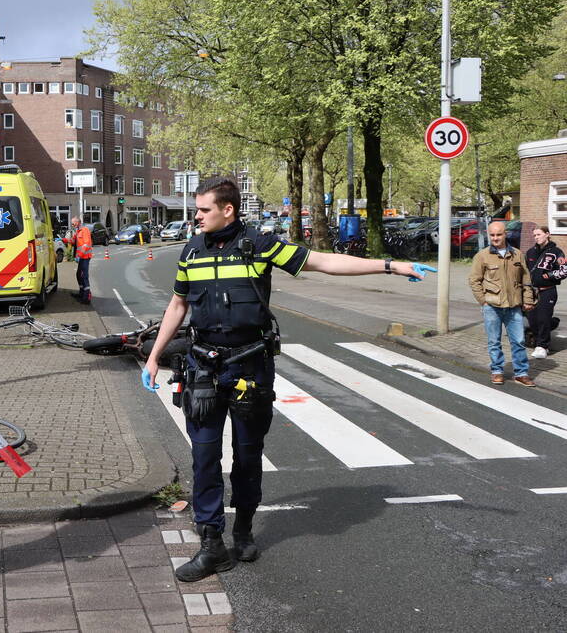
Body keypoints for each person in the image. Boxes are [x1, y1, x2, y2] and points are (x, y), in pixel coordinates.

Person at [140, 177, 433, 583]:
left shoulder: (258, 245)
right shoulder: (192, 251)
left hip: (250, 368)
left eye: (204, 209)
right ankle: (212, 545)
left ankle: (242, 529)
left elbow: (323, 261)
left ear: (228, 209)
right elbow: (177, 305)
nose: (197, 216)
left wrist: (392, 265)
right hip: (204, 369)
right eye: (197, 209)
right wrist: (154, 356)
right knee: (204, 459)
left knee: (247, 456)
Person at [468, 221, 536, 387]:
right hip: (492, 306)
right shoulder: (482, 256)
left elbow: (526, 279)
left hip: (514, 307)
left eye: (499, 234)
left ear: (505, 234)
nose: (496, 238)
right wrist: (483, 301)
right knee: (494, 342)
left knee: (519, 341)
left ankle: (521, 373)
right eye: (492, 235)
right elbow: (474, 281)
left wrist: (527, 300)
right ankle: (497, 371)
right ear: (488, 235)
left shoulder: (518, 255)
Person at [526, 226, 564, 359]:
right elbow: (525, 271)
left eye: (539, 234)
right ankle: (549, 327)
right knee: (532, 319)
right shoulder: (530, 252)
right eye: (534, 235)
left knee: (542, 318)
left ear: (547, 234)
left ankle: (543, 346)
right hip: (532, 292)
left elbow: (564, 271)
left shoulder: (557, 252)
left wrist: (547, 276)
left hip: (548, 291)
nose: (536, 237)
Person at [62, 216, 93, 304]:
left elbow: (86, 244)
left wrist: (80, 255)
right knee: (79, 275)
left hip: (85, 257)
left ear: (78, 222)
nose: (72, 225)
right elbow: (73, 241)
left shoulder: (84, 230)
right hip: (81, 257)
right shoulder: (78, 231)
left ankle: (86, 297)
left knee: (84, 276)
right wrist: (64, 240)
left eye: (73, 223)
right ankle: (82, 293)